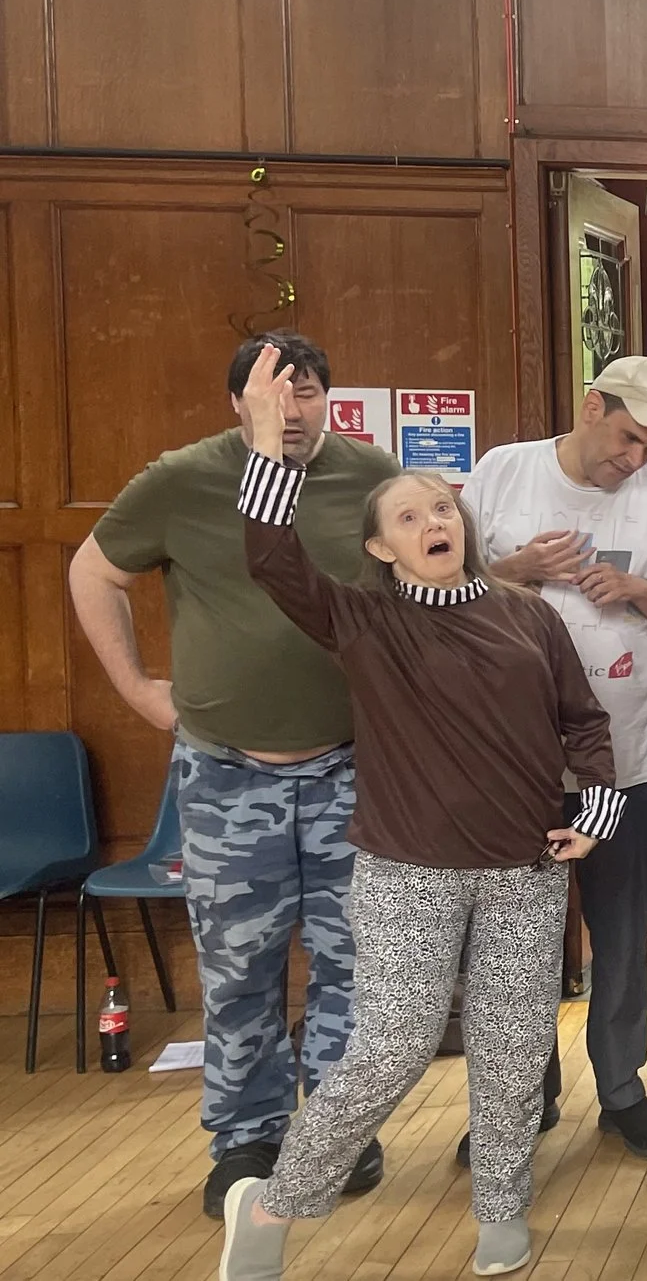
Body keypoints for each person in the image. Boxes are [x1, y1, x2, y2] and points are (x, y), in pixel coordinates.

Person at [216, 346, 624, 1280]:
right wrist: (278, 445)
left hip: (524, 873)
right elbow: (271, 559)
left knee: (515, 1051)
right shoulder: (364, 620)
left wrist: (593, 812)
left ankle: (501, 1213)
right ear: (378, 546)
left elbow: (584, 722)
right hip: (405, 874)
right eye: (409, 515)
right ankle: (275, 1206)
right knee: (391, 1052)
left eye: (442, 506)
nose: (433, 520)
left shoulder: (529, 614)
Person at [68, 331, 402, 1216]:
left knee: (355, 962)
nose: (292, 413)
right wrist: (140, 691)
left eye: (308, 393)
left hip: (351, 768)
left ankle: (337, 1131)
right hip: (227, 775)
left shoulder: (371, 475)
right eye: (271, 396)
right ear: (237, 405)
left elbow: (426, 580)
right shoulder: (182, 477)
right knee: (239, 969)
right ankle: (246, 1140)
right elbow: (92, 571)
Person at [464, 356, 647, 1159]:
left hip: (626, 760)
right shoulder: (503, 473)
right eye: (629, 439)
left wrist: (636, 592)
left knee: (623, 931)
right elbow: (436, 589)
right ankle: (522, 1097)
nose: (636, 460)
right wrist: (516, 571)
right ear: (591, 406)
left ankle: (623, 1090)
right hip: (513, 763)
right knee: (515, 939)